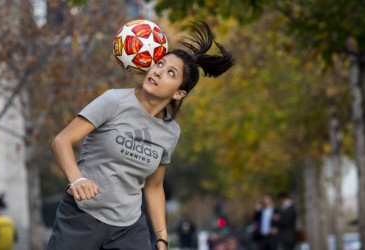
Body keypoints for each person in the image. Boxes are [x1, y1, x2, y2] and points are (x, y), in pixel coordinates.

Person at [46, 21, 234, 250]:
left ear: (179, 93)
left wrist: (162, 238)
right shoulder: (114, 101)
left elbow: (154, 187)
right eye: (160, 64)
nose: (158, 71)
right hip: (82, 217)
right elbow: (62, 140)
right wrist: (77, 179)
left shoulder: (171, 132)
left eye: (170, 73)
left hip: (128, 229)